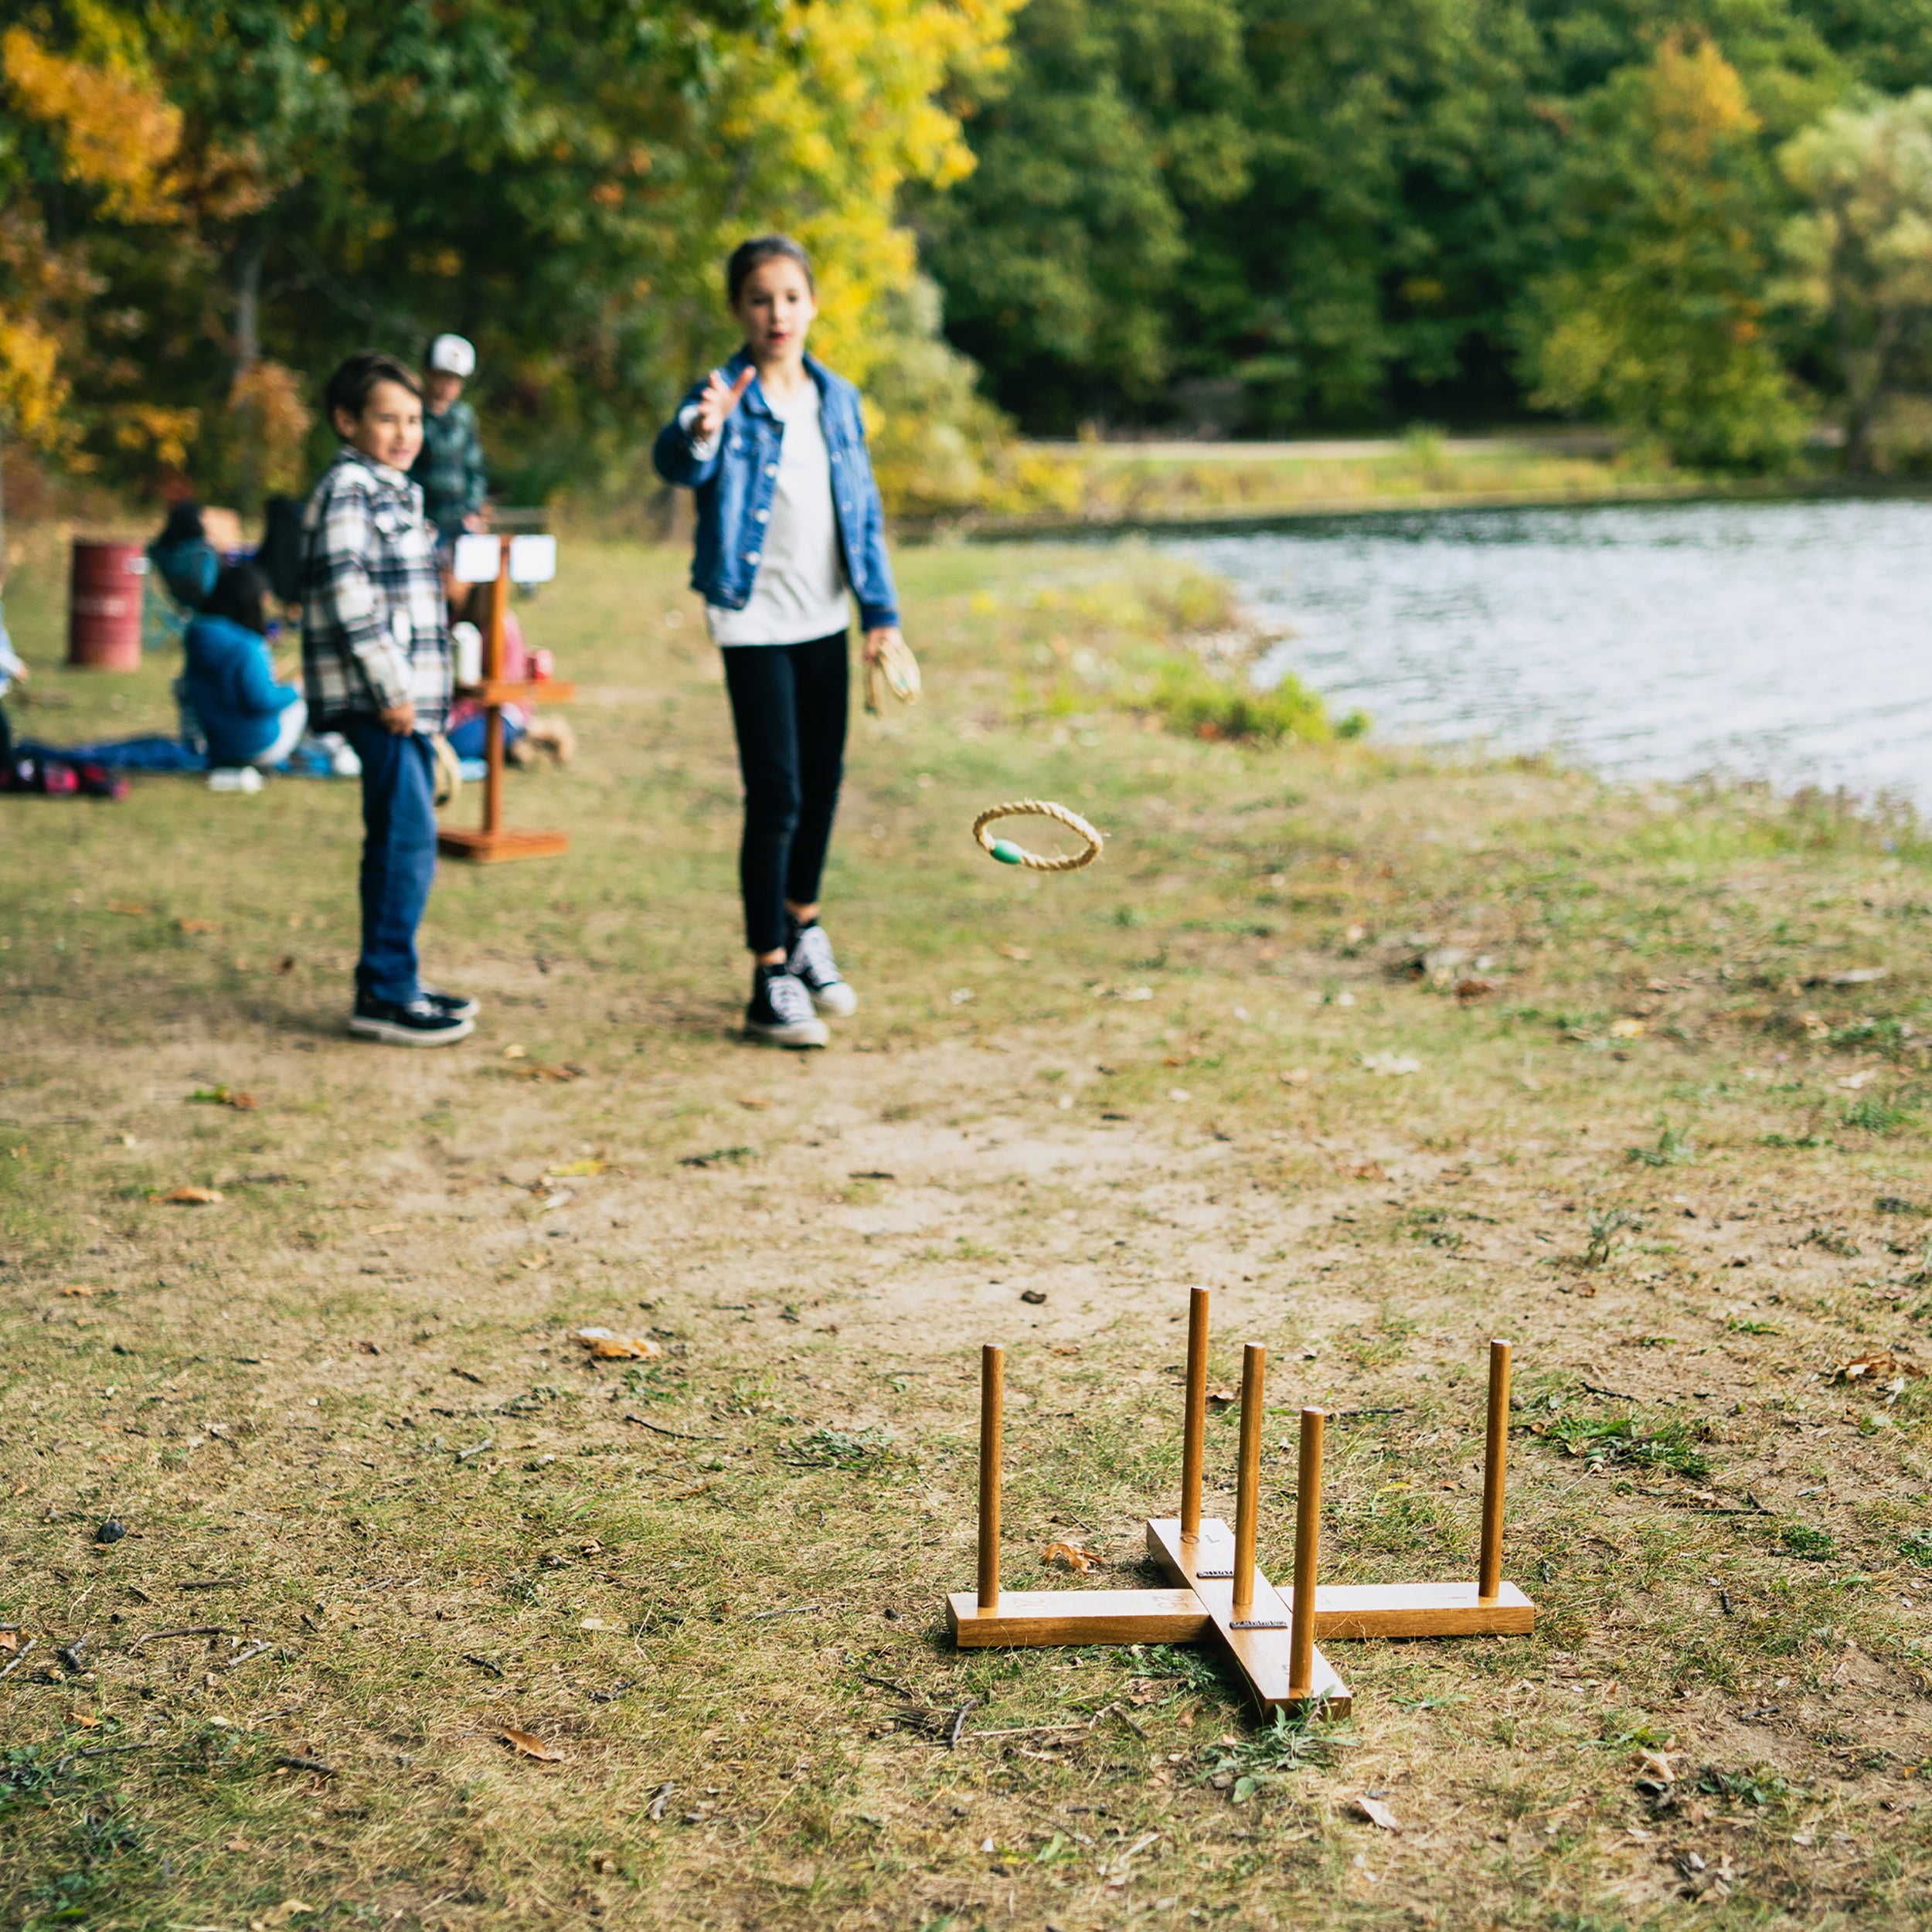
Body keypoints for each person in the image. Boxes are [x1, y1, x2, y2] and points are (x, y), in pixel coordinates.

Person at [651, 233, 903, 1049]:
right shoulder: (722, 392)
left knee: (824, 783)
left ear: (813, 304)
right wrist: (699, 428)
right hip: (751, 619)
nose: (776, 313)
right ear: (740, 310)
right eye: (760, 299)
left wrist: (882, 617)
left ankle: (804, 931)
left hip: (824, 615)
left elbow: (861, 516)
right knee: (778, 792)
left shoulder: (838, 398)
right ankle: (768, 978)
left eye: (790, 297)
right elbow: (677, 462)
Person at [301, 348, 476, 1046]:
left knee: (402, 839)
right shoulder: (350, 489)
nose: (405, 434)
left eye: (413, 419)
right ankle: (386, 993)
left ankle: (389, 978)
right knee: (407, 841)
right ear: (347, 422)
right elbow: (350, 598)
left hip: (406, 705)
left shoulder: (397, 489)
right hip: (383, 702)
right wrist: (394, 690)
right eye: (386, 419)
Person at [182, 563, 307, 771]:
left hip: (216, 748)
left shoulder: (196, 636)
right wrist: (297, 687)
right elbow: (262, 701)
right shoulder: (248, 646)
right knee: (300, 702)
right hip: (256, 748)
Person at [411, 333, 488, 543]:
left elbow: (476, 469)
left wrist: (473, 510)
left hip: (460, 522)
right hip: (422, 521)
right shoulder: (411, 414)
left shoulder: (465, 417)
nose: (449, 385)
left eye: (456, 379)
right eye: (444, 376)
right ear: (428, 372)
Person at [148, 502, 220, 611]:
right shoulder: (202, 551)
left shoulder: (161, 550)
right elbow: (206, 586)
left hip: (174, 598)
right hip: (205, 603)